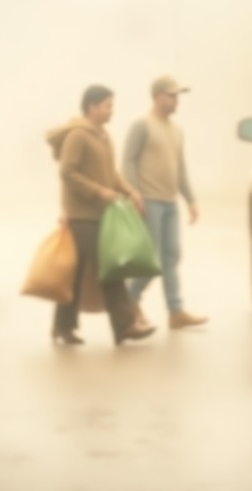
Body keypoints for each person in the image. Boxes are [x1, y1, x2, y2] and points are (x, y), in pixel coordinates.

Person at [46, 85, 156, 347]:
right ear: (92, 107)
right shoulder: (78, 136)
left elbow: (112, 174)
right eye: (107, 105)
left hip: (102, 214)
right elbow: (68, 172)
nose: (111, 110)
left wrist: (130, 192)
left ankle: (113, 326)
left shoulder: (103, 136)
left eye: (111, 105)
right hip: (81, 215)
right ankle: (79, 326)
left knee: (97, 269)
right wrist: (100, 193)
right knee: (93, 269)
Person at [122, 75, 207, 331]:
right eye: (172, 95)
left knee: (171, 257)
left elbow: (180, 168)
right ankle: (128, 298)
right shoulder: (142, 125)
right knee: (153, 260)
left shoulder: (177, 130)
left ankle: (176, 311)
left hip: (170, 203)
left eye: (177, 95)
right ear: (158, 96)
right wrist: (134, 193)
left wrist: (190, 199)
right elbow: (127, 161)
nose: (176, 100)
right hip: (149, 201)